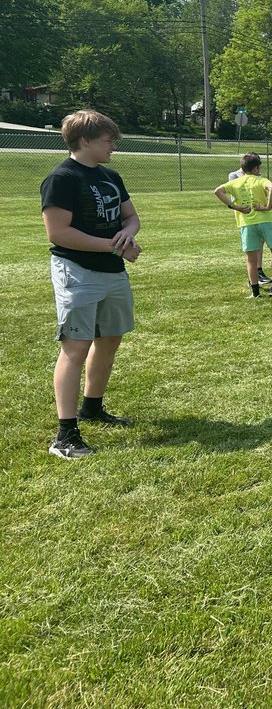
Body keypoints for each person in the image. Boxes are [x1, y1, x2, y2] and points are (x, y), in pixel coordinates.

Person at [40, 110, 142, 459]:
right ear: (84, 141)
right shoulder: (62, 178)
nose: (113, 145)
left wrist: (127, 235)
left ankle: (92, 407)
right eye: (107, 140)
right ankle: (65, 434)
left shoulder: (110, 175)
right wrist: (115, 245)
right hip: (77, 270)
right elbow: (58, 233)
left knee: (110, 338)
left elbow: (131, 216)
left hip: (112, 271)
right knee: (76, 346)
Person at [213, 152, 272, 297]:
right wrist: (268, 207)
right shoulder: (260, 180)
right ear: (255, 169)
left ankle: (255, 292)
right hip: (265, 221)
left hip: (246, 223)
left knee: (250, 259)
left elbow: (218, 191)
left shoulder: (236, 182)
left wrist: (235, 206)